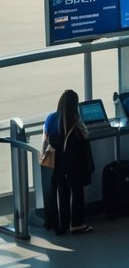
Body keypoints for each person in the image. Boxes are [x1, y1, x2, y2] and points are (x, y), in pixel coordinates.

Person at [42, 89, 93, 235]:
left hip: (57, 166)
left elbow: (45, 140)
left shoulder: (51, 118)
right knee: (77, 193)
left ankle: (63, 224)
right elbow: (85, 135)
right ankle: (77, 224)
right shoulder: (75, 123)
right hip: (73, 165)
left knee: (63, 194)